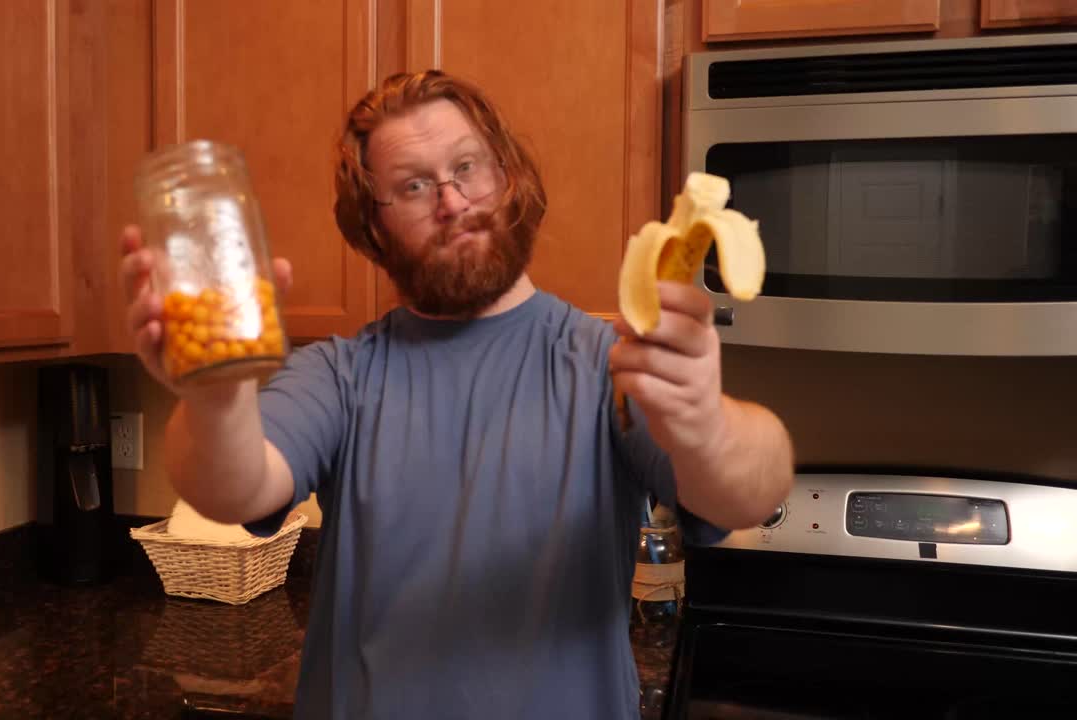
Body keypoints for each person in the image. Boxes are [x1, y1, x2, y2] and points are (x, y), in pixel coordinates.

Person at [121, 70, 793, 719]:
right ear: (373, 225)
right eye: (412, 186)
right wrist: (215, 398)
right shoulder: (341, 375)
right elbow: (233, 486)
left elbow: (751, 490)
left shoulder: (607, 363)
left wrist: (705, 425)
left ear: (508, 177)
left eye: (467, 167)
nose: (451, 201)